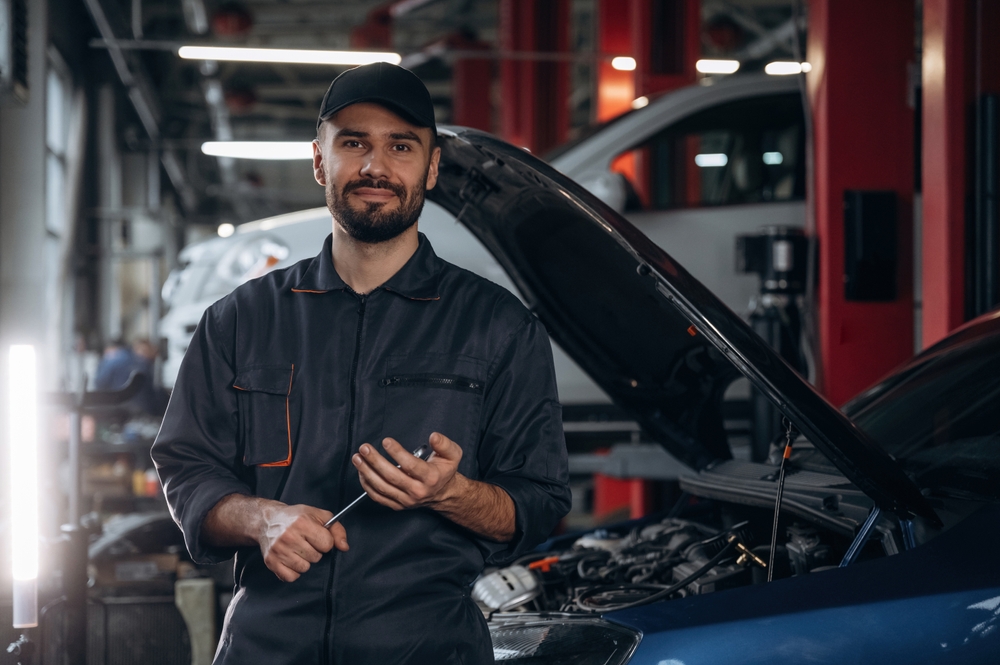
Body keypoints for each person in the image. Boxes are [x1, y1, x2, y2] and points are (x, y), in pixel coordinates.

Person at [151, 62, 571, 665]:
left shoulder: (499, 327)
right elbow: (187, 467)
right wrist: (259, 517)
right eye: (354, 143)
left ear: (430, 167)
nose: (376, 167)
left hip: (427, 648)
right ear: (320, 160)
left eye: (401, 146)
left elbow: (537, 502)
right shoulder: (239, 320)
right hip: (266, 648)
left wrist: (450, 494)